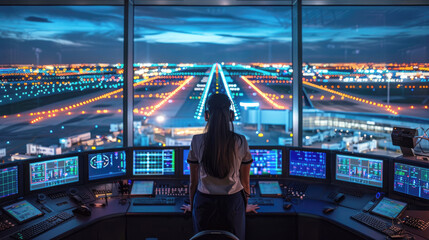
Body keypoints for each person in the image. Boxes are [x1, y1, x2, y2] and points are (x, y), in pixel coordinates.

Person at [181, 93, 259, 240]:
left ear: (206, 116)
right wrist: (242, 207)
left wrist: (193, 206)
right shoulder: (241, 141)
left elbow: (193, 183)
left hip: (204, 204)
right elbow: (245, 183)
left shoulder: (197, 141)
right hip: (233, 204)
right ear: (231, 115)